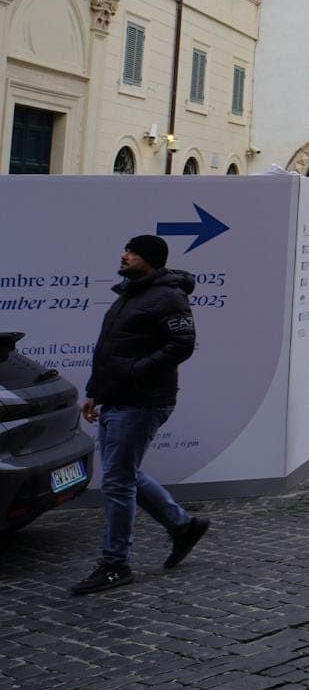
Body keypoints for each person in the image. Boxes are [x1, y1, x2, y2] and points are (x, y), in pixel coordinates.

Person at [70, 235, 211, 596]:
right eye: (126, 250)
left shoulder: (169, 296)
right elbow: (111, 349)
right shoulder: (131, 293)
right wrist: (96, 392)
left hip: (142, 401)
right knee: (123, 475)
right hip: (118, 397)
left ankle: (115, 564)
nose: (124, 255)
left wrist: (136, 373)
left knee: (118, 481)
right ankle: (182, 526)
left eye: (132, 252)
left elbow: (181, 344)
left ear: (149, 258)